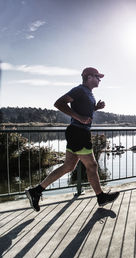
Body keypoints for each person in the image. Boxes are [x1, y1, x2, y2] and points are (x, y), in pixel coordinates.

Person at [25, 67, 119, 212]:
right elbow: (59, 103)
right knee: (92, 166)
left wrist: (95, 109)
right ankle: (101, 197)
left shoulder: (88, 93)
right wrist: (79, 117)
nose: (99, 79)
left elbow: (83, 111)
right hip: (79, 133)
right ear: (88, 77)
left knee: (68, 166)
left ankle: (36, 191)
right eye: (97, 77)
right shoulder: (79, 90)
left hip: (77, 132)